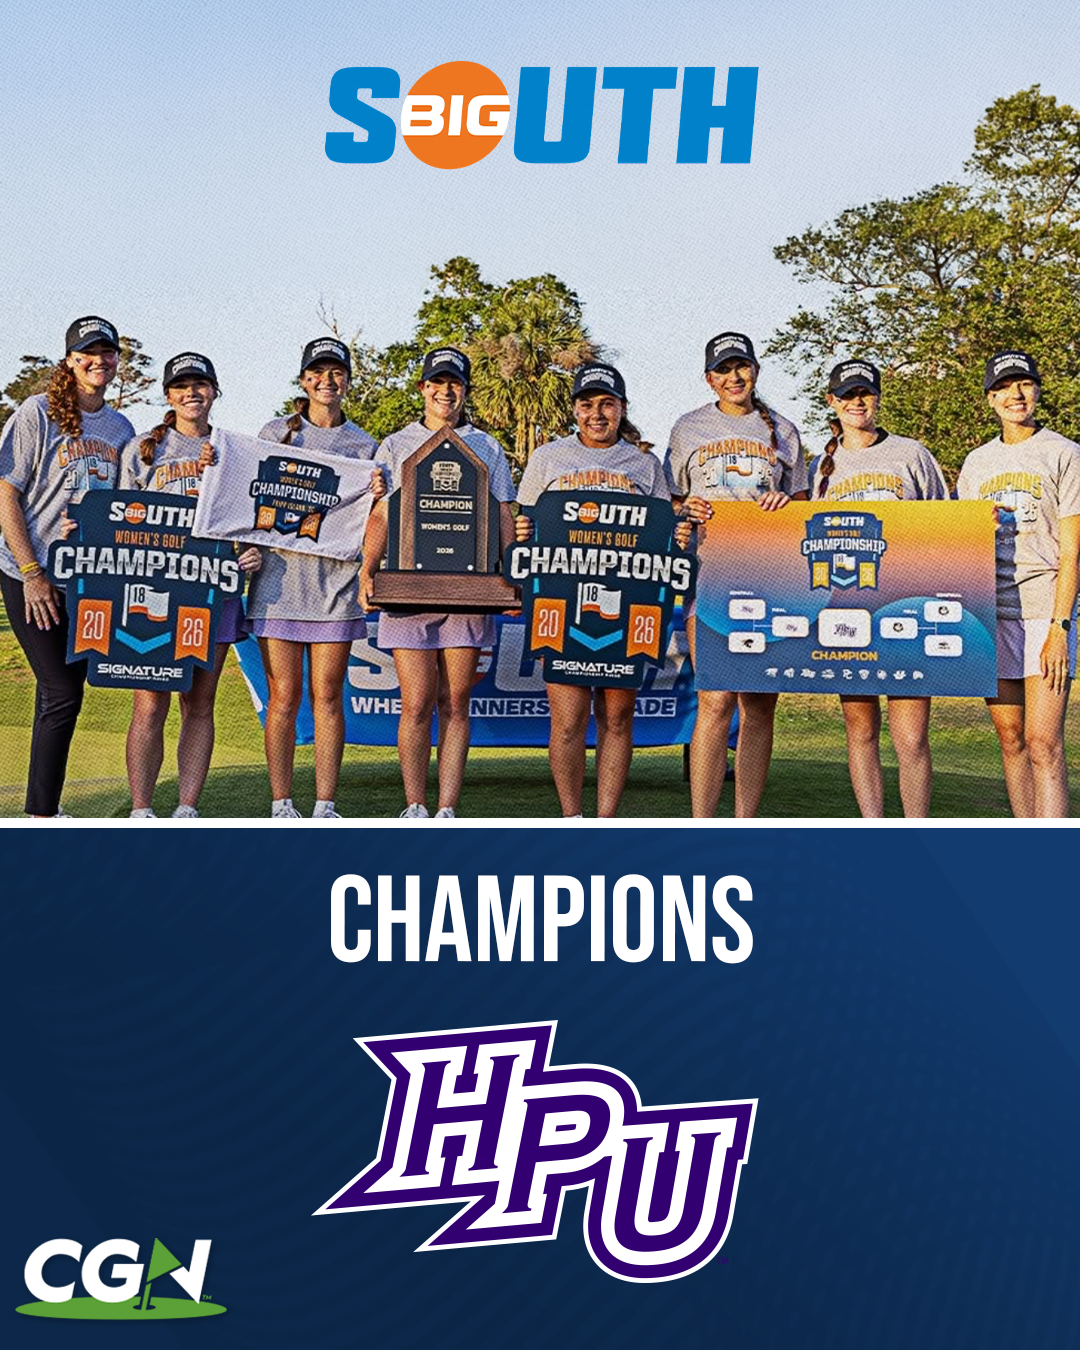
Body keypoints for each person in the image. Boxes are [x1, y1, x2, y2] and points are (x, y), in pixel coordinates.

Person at [516, 361, 682, 818]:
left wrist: (679, 539)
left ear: (622, 408)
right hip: (561, 603)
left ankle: (606, 819)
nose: (597, 413)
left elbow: (663, 532)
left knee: (617, 717)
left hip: (628, 606)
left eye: (607, 404)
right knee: (567, 721)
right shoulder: (548, 458)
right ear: (574, 409)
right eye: (587, 404)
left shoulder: (644, 464)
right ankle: (572, 817)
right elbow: (523, 526)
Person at [359, 347, 515, 819]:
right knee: (416, 702)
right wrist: (368, 568)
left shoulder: (487, 446)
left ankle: (447, 805)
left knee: (457, 700)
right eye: (437, 382)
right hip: (408, 589)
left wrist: (509, 571)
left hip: (467, 592)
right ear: (423, 388)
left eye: (455, 383)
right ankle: (415, 804)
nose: (445, 391)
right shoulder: (395, 444)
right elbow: (382, 514)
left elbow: (504, 512)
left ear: (464, 390)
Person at [664, 332, 808, 818]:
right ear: (710, 378)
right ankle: (702, 822)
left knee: (759, 705)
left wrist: (786, 503)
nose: (734, 377)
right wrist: (687, 507)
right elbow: (671, 504)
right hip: (711, 578)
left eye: (741, 367)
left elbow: (805, 509)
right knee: (715, 698)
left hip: (770, 578)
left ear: (756, 371)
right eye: (723, 370)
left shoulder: (783, 430)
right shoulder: (688, 428)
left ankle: (745, 820)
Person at [244, 337, 384, 819]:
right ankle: (281, 802)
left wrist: (379, 494)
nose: (327, 380)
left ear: (347, 379)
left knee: (328, 695)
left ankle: (325, 803)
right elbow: (247, 495)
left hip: (336, 587)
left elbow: (374, 520)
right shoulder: (276, 431)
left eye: (336, 372)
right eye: (317, 372)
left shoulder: (365, 445)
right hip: (279, 585)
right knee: (282, 696)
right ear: (304, 379)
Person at [0, 316, 135, 817]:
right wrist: (32, 572)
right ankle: (40, 815)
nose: (98, 360)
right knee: (61, 690)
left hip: (85, 577)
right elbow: (6, 492)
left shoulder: (120, 428)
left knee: (61, 691)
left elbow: (128, 508)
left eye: (107, 352)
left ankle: (44, 811)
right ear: (70, 360)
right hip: (26, 572)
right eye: (87, 352)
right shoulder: (37, 413)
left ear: (117, 359)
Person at [119, 353, 262, 818]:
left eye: (200, 384)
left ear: (215, 391)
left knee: (198, 702)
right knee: (150, 703)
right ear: (168, 395)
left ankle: (187, 807)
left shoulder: (232, 451)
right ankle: (142, 808)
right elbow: (117, 520)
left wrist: (248, 553)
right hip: (154, 592)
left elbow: (246, 520)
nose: (191, 393)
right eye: (181, 386)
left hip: (214, 592)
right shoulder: (143, 448)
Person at [810, 359, 947, 817]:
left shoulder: (912, 454)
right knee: (861, 729)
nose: (857, 402)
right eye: (847, 395)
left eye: (865, 393)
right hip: (848, 610)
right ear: (832, 402)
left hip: (906, 605)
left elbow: (944, 522)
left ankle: (916, 832)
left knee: (910, 735)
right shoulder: (820, 468)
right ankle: (874, 830)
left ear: (878, 397)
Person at [957, 350, 1080, 817]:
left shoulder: (1064, 453)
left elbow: (1072, 551)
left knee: (1043, 742)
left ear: (1037, 390)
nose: (1016, 394)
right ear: (991, 398)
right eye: (1005, 387)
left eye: (1024, 384)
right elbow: (962, 547)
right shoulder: (976, 463)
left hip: (1043, 611)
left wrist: (1060, 627)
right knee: (1010, 740)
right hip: (992, 614)